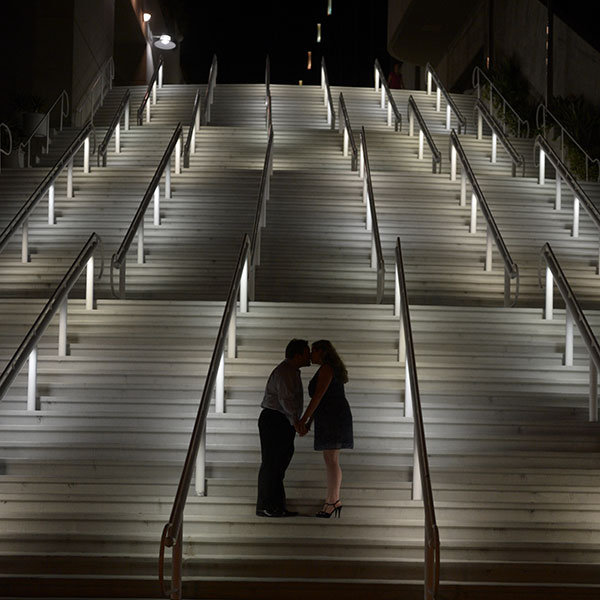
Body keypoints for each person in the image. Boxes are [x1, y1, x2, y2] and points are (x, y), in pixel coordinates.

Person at [298, 340, 353, 518]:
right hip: (331, 416)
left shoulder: (327, 369)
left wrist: (304, 420)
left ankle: (333, 500)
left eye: (313, 351)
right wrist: (308, 422)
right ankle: (332, 499)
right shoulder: (328, 368)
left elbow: (318, 397)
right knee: (331, 460)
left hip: (333, 417)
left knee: (331, 460)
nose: (311, 355)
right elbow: (319, 399)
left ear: (322, 351)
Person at [256, 338, 311, 518]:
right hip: (275, 420)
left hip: (279, 420)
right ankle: (267, 505)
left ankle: (275, 505)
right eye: (306, 352)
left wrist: (295, 422)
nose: (309, 355)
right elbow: (286, 400)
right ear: (297, 354)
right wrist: (296, 422)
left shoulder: (290, 371)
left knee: (277, 464)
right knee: (273, 464)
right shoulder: (286, 372)